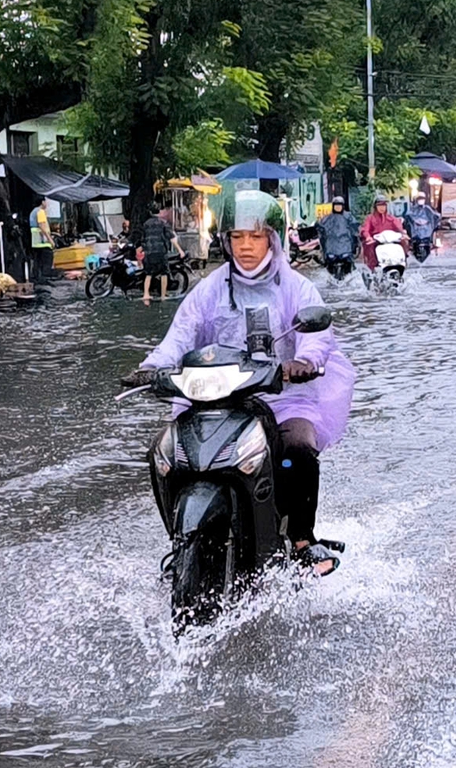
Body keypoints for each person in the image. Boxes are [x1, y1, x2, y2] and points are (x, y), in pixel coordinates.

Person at [123, 191, 356, 575]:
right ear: (226, 241)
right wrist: (153, 368)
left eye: (256, 236)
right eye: (237, 237)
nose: (246, 246)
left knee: (296, 448)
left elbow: (318, 337)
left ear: (273, 239)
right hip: (215, 400)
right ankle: (181, 543)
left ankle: (301, 538)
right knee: (163, 454)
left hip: (282, 397)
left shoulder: (297, 287)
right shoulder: (210, 288)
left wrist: (304, 361)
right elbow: (180, 335)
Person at [137, 206, 175, 305]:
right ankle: (163, 295)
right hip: (161, 252)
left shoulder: (146, 224)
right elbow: (171, 236)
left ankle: (146, 294)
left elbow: (142, 238)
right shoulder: (163, 223)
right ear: (159, 212)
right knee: (163, 273)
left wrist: (143, 249)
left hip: (149, 252)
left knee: (148, 274)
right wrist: (180, 250)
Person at [359, 193, 402, 272]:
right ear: (375, 207)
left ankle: (402, 261)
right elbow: (365, 229)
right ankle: (373, 268)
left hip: (389, 242)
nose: (382, 208)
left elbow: (398, 227)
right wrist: (368, 237)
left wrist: (403, 233)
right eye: (379, 205)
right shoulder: (370, 218)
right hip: (376, 242)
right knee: (370, 246)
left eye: (384, 205)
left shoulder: (391, 218)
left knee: (403, 242)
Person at [318, 196, 357, 269]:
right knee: (329, 261)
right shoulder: (327, 218)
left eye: (340, 205)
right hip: (331, 245)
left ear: (343, 206)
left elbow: (354, 229)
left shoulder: (348, 216)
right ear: (333, 206)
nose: (338, 207)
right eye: (336, 205)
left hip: (345, 245)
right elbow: (321, 229)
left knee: (348, 261)